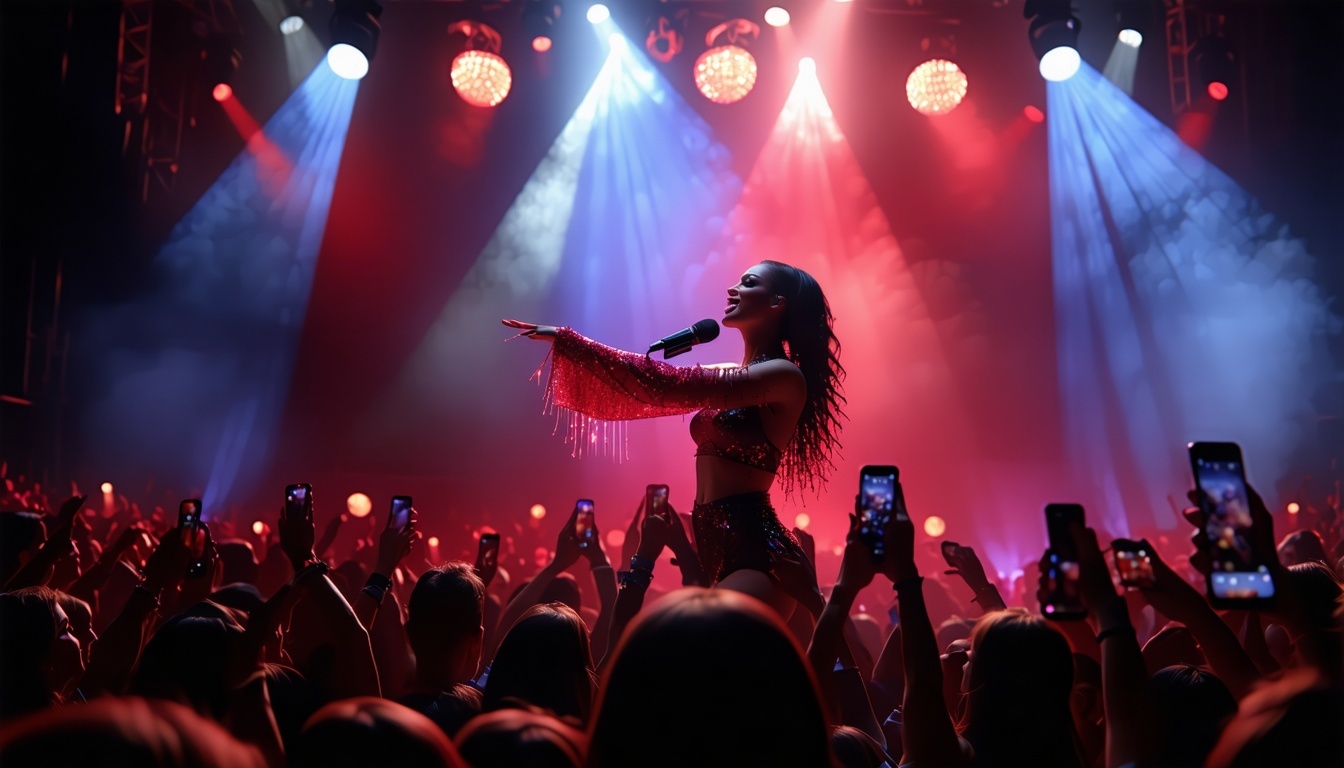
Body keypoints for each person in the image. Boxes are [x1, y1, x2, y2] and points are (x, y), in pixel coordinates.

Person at [504, 260, 844, 614]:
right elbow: (651, 385)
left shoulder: (785, 376)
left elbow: (666, 384)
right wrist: (572, 347)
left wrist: (572, 341)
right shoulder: (734, 373)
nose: (733, 289)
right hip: (712, 544)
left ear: (777, 303)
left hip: (757, 551)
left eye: (748, 282)